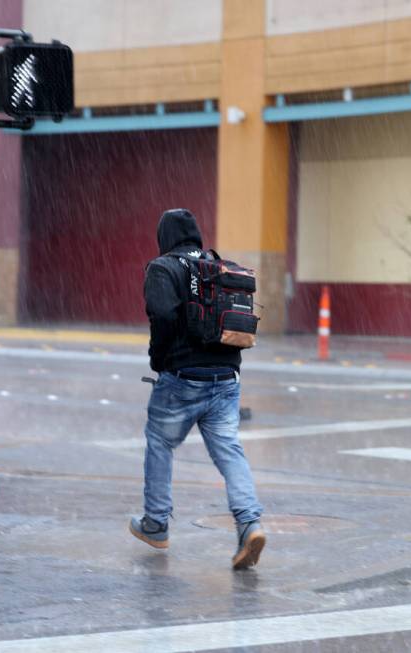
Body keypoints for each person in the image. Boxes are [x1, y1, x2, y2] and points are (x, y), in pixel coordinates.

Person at [129, 208, 265, 570]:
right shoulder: (218, 267)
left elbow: (163, 317)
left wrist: (158, 360)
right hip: (226, 379)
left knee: (160, 443)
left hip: (182, 379)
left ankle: (156, 524)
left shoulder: (163, 267)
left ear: (165, 237)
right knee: (229, 452)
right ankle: (249, 523)